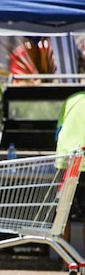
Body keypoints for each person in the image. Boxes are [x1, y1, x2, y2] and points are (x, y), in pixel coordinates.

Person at [55, 89, 85, 247]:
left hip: (66, 161)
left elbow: (59, 131)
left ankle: (66, 261)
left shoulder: (71, 99)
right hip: (82, 159)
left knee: (63, 214)